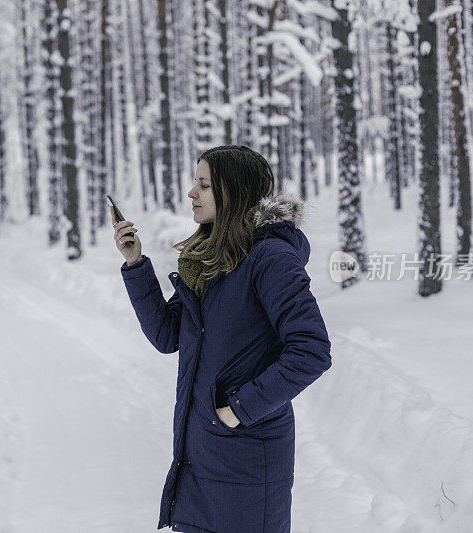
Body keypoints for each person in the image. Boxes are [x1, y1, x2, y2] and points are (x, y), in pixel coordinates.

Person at [110, 145, 332, 533]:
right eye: (195, 183)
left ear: (234, 191)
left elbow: (312, 350)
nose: (192, 193)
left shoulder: (270, 258)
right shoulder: (210, 259)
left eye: (204, 184)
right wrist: (135, 265)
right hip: (199, 454)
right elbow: (167, 336)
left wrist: (238, 410)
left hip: (247, 459)